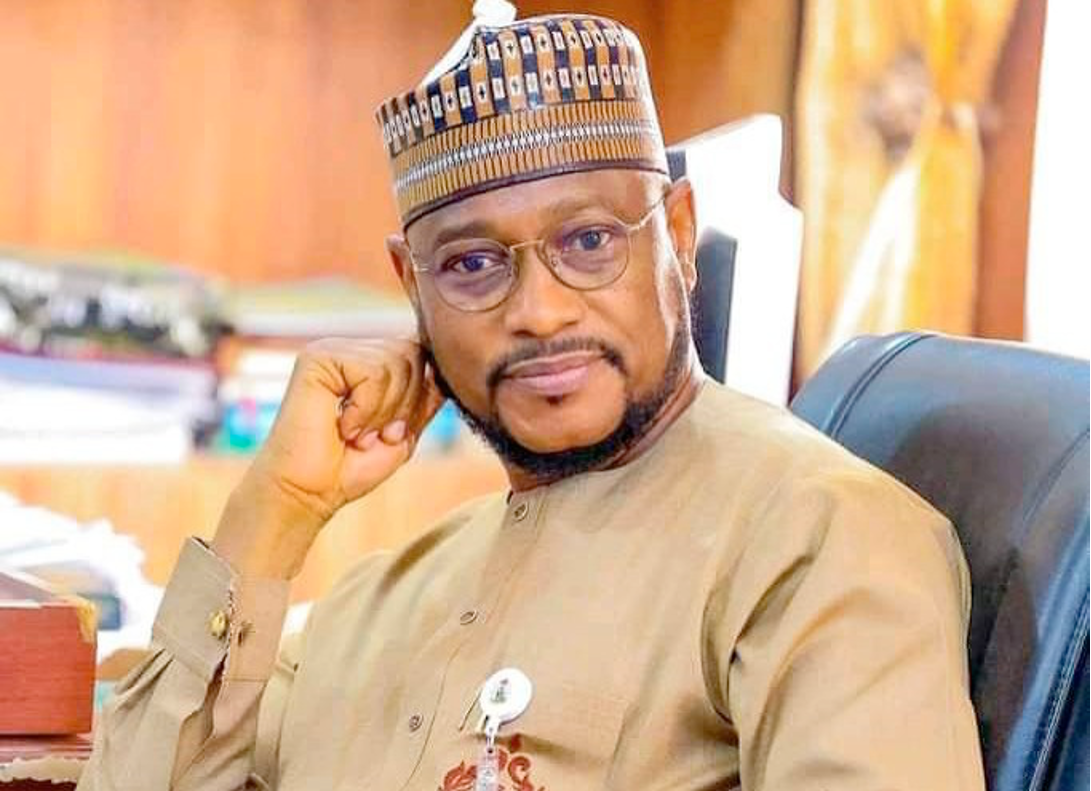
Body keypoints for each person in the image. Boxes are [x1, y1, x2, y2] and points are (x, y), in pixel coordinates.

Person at [77, 6, 986, 791]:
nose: (540, 311)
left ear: (676, 233)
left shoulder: (817, 538)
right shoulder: (380, 600)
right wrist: (274, 512)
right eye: (472, 264)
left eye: (589, 242)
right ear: (412, 289)